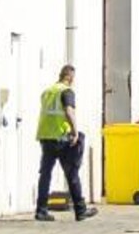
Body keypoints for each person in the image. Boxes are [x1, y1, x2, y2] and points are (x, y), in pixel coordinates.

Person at [35, 64, 96, 221]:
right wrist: (75, 132)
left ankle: (41, 210)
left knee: (45, 174)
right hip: (61, 137)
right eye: (73, 78)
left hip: (45, 136)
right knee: (71, 173)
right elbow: (69, 111)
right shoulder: (66, 91)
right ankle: (80, 210)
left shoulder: (48, 92)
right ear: (69, 77)